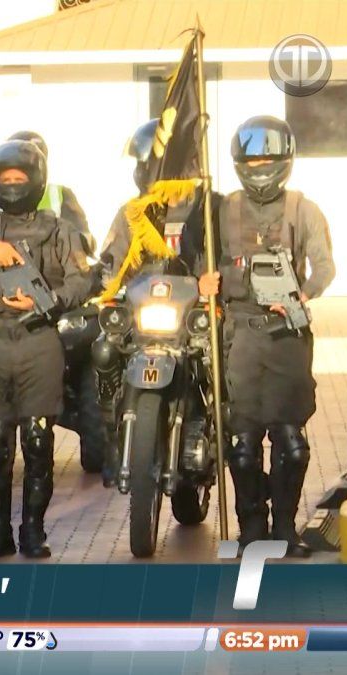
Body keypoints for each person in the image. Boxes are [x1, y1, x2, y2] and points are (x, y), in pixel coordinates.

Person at [0, 140, 92, 559]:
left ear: (36, 180)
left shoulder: (58, 228)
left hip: (38, 341)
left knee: (37, 440)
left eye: (19, 178)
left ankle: (33, 531)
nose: (11, 186)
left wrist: (49, 302)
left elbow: (83, 280)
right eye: (4, 179)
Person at [198, 116, 334, 557]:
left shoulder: (303, 208)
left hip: (287, 335)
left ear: (285, 161)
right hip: (240, 334)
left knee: (291, 443)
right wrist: (206, 281)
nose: (260, 167)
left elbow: (324, 266)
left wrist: (304, 293)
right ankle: (251, 528)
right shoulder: (220, 209)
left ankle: (285, 531)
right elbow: (199, 260)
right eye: (252, 160)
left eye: (268, 159)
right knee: (243, 443)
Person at [91, 119, 210, 486]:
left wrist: (212, 283)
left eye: (163, 168)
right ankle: (113, 428)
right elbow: (113, 262)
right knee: (104, 351)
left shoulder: (206, 210)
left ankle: (217, 433)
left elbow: (220, 256)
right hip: (145, 318)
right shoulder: (133, 213)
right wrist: (108, 290)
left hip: (192, 316)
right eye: (148, 167)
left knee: (223, 362)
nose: (152, 174)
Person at [0, 131, 92, 251]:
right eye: (7, 179)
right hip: (2, 266)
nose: (13, 184)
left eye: (20, 178)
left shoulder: (60, 194)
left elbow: (83, 240)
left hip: (50, 265)